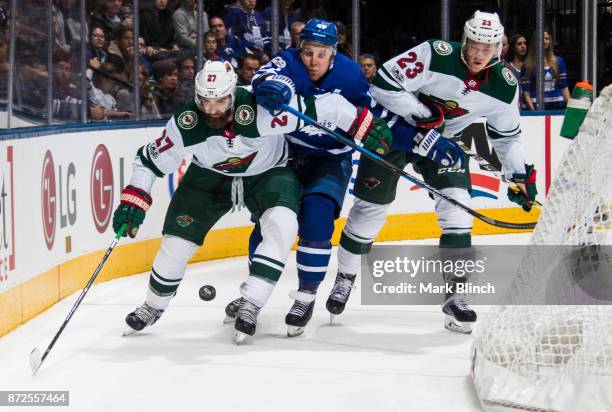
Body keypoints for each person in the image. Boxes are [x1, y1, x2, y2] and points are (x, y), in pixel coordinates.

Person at [114, 60, 392, 343]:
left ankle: (252, 302)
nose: (212, 109)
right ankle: (153, 305)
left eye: (220, 101)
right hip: (208, 178)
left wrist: (361, 124)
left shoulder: (261, 108)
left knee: (282, 225)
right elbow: (148, 160)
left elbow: (327, 106)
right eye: (205, 101)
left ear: (233, 94)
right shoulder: (187, 122)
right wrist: (134, 199)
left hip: (267, 173)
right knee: (175, 244)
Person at [222, 19, 450, 337]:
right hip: (285, 157)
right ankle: (252, 294)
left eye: (321, 53)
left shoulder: (350, 74)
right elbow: (266, 76)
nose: (313, 60)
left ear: (334, 52)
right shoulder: (289, 62)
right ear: (299, 49)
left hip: (330, 160)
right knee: (268, 223)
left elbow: (377, 118)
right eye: (308, 52)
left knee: (317, 217)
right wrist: (269, 87)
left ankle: (305, 297)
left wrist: (421, 141)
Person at [327, 11, 538, 334]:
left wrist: (519, 174)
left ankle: (456, 294)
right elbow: (383, 82)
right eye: (475, 45)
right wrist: (421, 113)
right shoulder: (434, 53)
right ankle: (345, 276)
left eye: (488, 47)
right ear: (465, 40)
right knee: (370, 209)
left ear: (499, 48)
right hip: (394, 130)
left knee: (458, 207)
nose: (480, 54)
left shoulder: (504, 85)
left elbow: (507, 136)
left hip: (443, 143)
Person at [522, 29, 569, 110]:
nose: (544, 41)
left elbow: (564, 88)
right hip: (536, 108)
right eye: (541, 38)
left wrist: (571, 110)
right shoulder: (527, 64)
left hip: (558, 107)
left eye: (547, 38)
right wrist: (534, 113)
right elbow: (526, 92)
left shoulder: (559, 61)